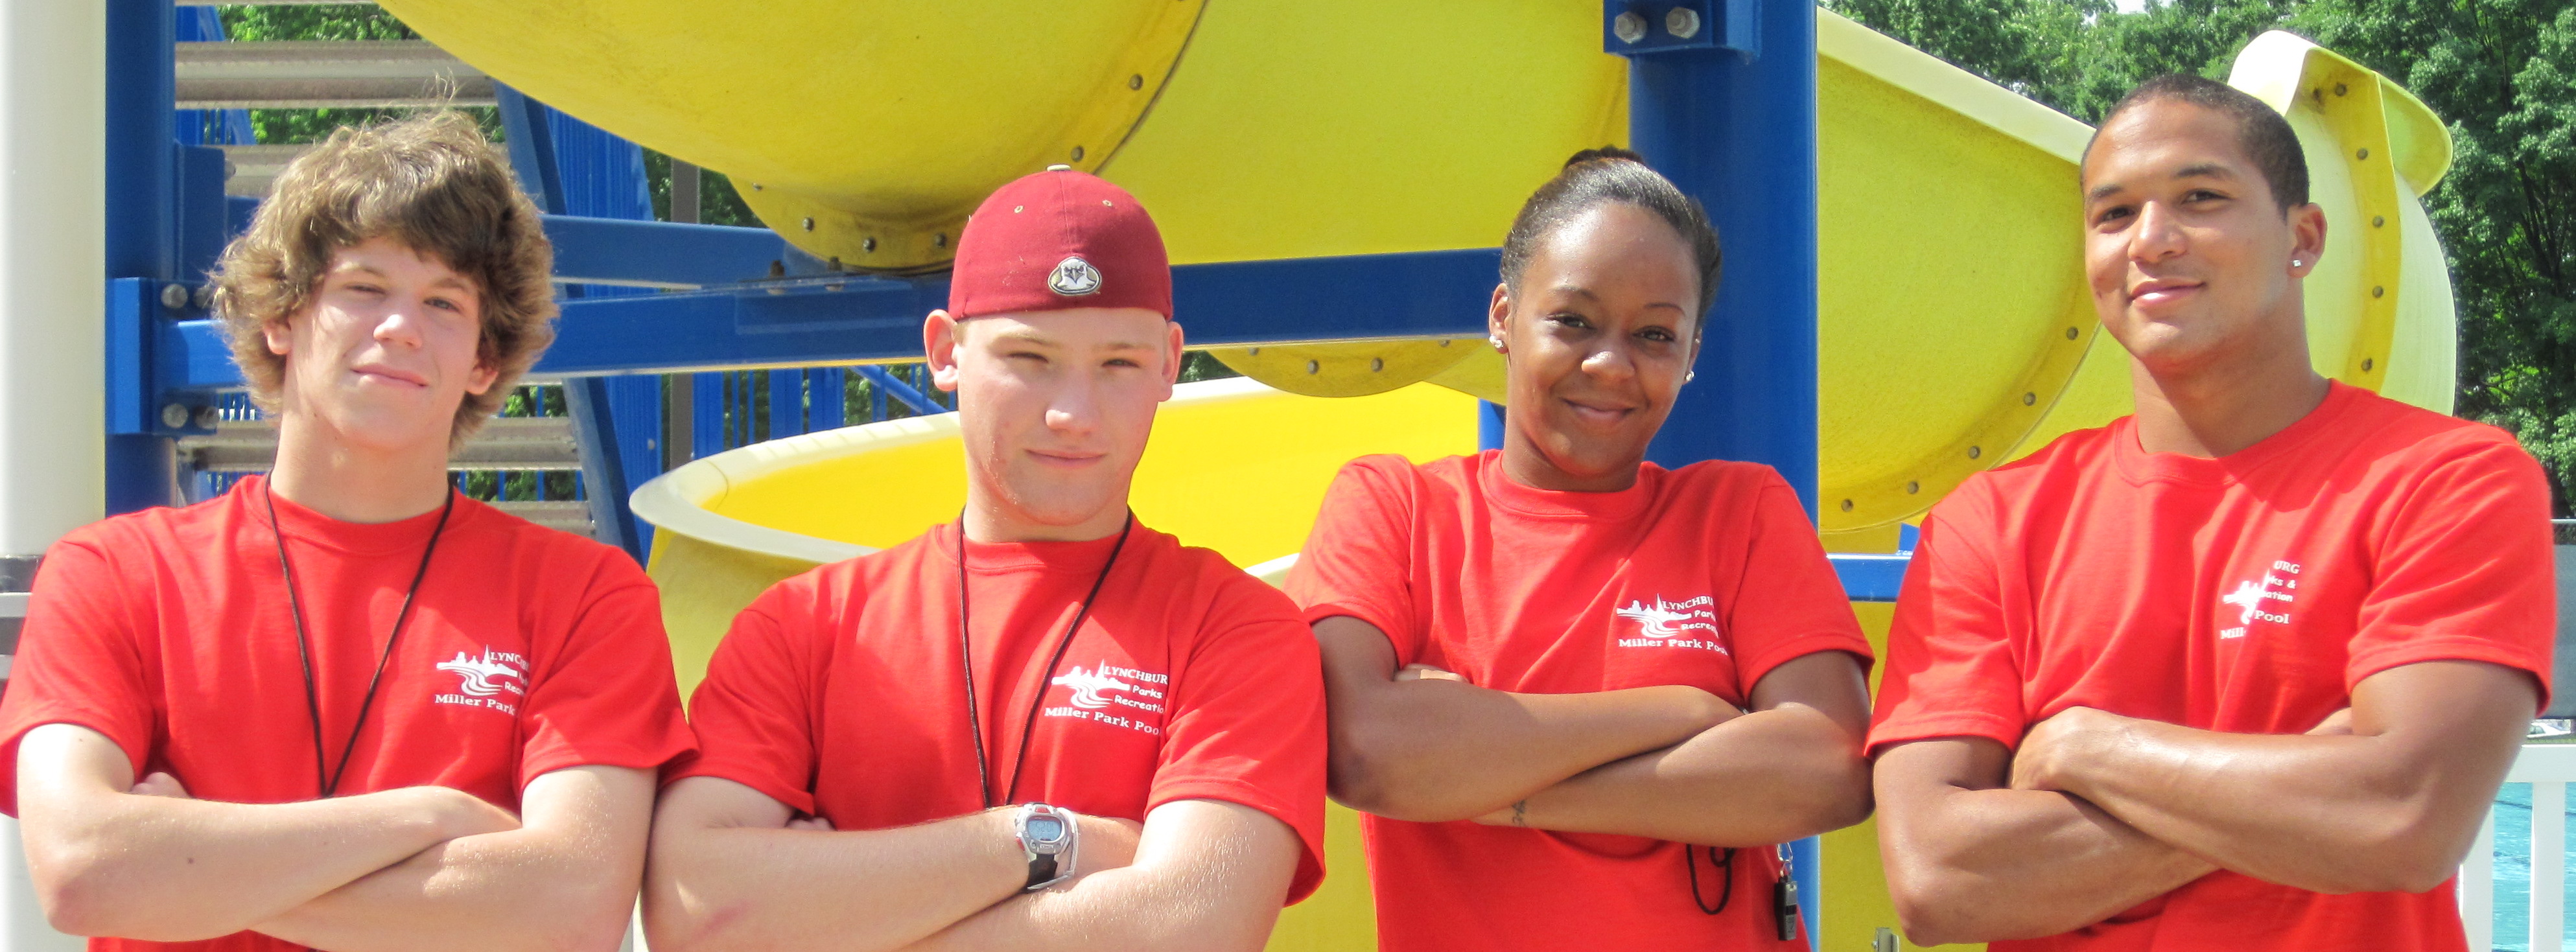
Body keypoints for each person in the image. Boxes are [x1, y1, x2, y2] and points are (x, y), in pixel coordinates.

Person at [1869, 73, 2558, 951]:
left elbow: (2404, 816)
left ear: (2301, 239)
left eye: (2199, 198)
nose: (2150, 241)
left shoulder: (2448, 479)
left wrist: (2087, 750)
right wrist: (2310, 781)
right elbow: (1938, 880)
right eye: (2112, 214)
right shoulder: (1991, 519)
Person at [0, 111, 694, 952]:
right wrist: (428, 817)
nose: (400, 325)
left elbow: (568, 907)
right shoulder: (114, 571)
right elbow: (82, 871)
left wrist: (185, 872)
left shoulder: (585, 593)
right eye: (364, 287)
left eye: (444, 301)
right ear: (282, 317)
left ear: (482, 358)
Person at [643, 167, 1326, 952]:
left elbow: (1185, 927)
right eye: (1029, 357)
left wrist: (828, 913)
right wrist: (1045, 840)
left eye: (1119, 364)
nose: (1073, 412)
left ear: (1170, 364)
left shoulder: (1238, 629)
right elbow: (694, 909)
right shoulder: (804, 626)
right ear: (945, 352)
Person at [1285, 148, 1877, 952]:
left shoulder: (1738, 512)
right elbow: (1366, 753)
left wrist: (1495, 787)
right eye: (1572, 320)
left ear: (1692, 353)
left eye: (1654, 334)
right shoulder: (1395, 507)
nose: (1609, 364)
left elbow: (1830, 765)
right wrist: (1686, 712)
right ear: (1502, 315)